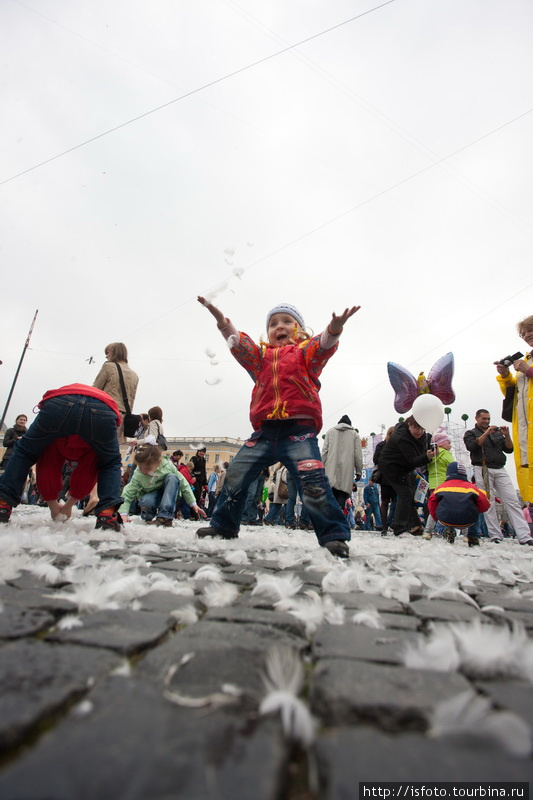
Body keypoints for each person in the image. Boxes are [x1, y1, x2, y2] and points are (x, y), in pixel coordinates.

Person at [195, 296, 360, 557]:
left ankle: (333, 536)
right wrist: (221, 322)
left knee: (313, 482)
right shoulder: (261, 358)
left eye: (287, 321)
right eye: (273, 323)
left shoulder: (305, 353)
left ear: (300, 330)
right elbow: (240, 345)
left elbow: (323, 346)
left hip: (299, 432)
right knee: (235, 475)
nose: (279, 326)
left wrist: (335, 328)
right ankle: (223, 525)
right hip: (264, 432)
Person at [0, 384, 123, 530]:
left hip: (60, 403)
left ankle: (2, 504)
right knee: (109, 463)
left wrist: (53, 504)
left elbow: (47, 464)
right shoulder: (90, 450)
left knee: (26, 452)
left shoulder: (53, 443)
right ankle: (107, 515)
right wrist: (69, 504)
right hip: (103, 409)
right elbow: (88, 472)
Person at [463, 409, 532, 545]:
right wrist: (486, 433)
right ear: (476, 418)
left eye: (488, 419)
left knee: (512, 500)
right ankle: (495, 535)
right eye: (484, 419)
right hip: (483, 468)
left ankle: (524, 535)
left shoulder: (497, 433)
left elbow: (509, 449)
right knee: (489, 502)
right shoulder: (471, 433)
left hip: (499, 467)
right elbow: (472, 446)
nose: (487, 421)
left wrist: (506, 435)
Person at [119, 439, 206, 526]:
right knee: (147, 502)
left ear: (158, 462)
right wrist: (123, 514)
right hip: (151, 494)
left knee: (173, 477)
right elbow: (128, 493)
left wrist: (193, 503)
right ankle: (147, 515)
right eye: (140, 467)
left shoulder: (167, 466)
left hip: (168, 494)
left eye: (146, 468)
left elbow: (183, 482)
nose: (143, 471)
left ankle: (165, 517)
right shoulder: (139, 474)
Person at [494, 314, 533, 503]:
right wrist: (505, 376)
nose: (527, 336)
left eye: (530, 331)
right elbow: (514, 393)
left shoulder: (526, 365)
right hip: (524, 428)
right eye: (524, 334)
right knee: (527, 469)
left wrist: (529, 371)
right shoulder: (526, 359)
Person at [378, 415, 437, 536]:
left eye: (422, 429)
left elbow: (418, 451)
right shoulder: (402, 437)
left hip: (403, 467)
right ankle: (399, 528)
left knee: (410, 493)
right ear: (409, 424)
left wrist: (429, 448)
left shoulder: (418, 435)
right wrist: (427, 457)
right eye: (416, 428)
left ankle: (415, 525)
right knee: (405, 493)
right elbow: (413, 460)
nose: (419, 432)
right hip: (392, 467)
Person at [428, 461, 490, 547]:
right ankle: (473, 536)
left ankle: (445, 531)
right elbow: (485, 505)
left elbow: (431, 502)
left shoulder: (441, 487)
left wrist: (437, 517)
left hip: (445, 519)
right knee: (476, 509)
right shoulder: (472, 488)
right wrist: (476, 511)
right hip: (467, 521)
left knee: (439, 525)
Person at [93, 342, 139, 444]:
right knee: (114, 448)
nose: (106, 356)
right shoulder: (134, 375)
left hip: (106, 411)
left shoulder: (108, 367)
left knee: (98, 445)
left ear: (114, 353)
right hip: (122, 417)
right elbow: (132, 399)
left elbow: (95, 390)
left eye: (108, 352)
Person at [322, 415, 363, 509]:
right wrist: (359, 471)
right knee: (342, 493)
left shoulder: (330, 432)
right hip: (347, 469)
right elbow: (358, 455)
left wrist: (321, 466)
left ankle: (330, 520)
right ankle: (339, 518)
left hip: (331, 469)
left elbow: (324, 451)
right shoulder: (354, 434)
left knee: (331, 493)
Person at [423, 431, 454, 539]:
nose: (450, 445)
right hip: (446, 483)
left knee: (434, 509)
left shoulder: (431, 454)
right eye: (448, 443)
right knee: (449, 508)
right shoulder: (446, 454)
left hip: (433, 484)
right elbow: (453, 466)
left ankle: (428, 530)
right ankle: (448, 529)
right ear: (441, 443)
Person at [373, 426, 396, 536]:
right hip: (394, 477)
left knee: (385, 502)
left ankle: (385, 527)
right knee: (394, 501)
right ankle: (390, 524)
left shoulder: (381, 445)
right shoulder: (397, 446)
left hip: (385, 477)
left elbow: (375, 460)